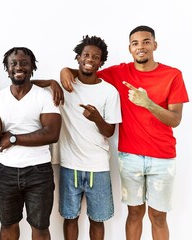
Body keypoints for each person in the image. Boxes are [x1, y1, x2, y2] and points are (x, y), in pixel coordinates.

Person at [60, 25, 189, 240]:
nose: (141, 47)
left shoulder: (172, 75)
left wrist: (148, 103)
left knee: (158, 216)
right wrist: (65, 70)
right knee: (135, 213)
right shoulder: (120, 72)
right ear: (130, 48)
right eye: (135, 43)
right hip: (130, 156)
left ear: (154, 45)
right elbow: (88, 71)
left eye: (146, 42)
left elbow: (175, 119)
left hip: (163, 157)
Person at [0, 47, 62, 240]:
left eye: (24, 63)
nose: (19, 67)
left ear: (32, 67)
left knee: (40, 227)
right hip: (6, 172)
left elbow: (51, 133)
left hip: (39, 172)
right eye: (14, 63)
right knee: (8, 225)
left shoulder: (43, 95)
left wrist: (14, 138)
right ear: (7, 69)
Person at [56, 35, 121, 240]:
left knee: (97, 219)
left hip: (98, 166)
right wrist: (54, 78)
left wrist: (97, 119)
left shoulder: (109, 92)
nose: (90, 59)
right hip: (70, 164)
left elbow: (110, 131)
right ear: (78, 57)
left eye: (96, 56)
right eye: (86, 55)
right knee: (70, 217)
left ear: (101, 62)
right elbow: (35, 83)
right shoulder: (66, 85)